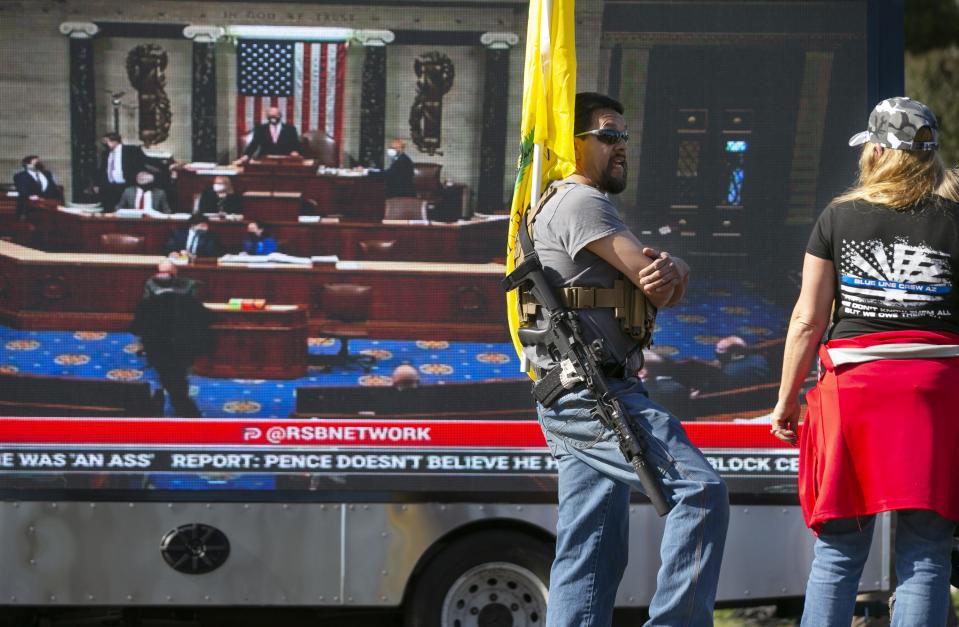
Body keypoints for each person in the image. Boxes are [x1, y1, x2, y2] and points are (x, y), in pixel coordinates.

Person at [522, 92, 728, 626]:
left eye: (623, 137)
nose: (621, 146)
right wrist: (674, 267)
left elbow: (660, 278)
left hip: (571, 391)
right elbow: (657, 284)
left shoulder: (564, 201)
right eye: (608, 135)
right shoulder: (582, 202)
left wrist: (673, 265)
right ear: (575, 142)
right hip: (595, 393)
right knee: (701, 492)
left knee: (589, 551)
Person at [770, 97, 959, 627]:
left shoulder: (838, 215)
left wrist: (785, 403)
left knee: (839, 553)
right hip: (936, 392)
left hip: (854, 392)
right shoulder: (956, 219)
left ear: (877, 152)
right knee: (926, 556)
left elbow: (808, 319)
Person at [132, 262, 212, 417]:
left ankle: (185, 411)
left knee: (171, 380)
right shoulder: (189, 301)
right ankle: (187, 412)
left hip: (158, 350)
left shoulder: (147, 304)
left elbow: (136, 328)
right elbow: (207, 319)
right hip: (183, 348)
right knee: (178, 380)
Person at [96, 132, 146, 212]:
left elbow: (142, 164)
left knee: (126, 209)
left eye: (107, 141)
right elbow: (102, 170)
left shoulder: (131, 150)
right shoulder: (105, 153)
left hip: (126, 186)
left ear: (115, 141)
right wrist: (98, 184)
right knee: (110, 209)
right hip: (110, 187)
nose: (105, 144)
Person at [236, 106, 301, 163]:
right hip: (264, 159)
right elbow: (254, 144)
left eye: (276, 115)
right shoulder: (260, 129)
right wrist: (246, 155)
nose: (273, 118)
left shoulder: (290, 129)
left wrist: (295, 151)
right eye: (271, 116)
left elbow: (295, 144)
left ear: (280, 116)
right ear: (267, 117)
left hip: (285, 160)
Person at [13, 155, 61, 220]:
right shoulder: (20, 176)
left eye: (39, 162)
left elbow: (53, 189)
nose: (38, 163)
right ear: (27, 165)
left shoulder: (47, 173)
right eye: (36, 162)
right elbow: (23, 191)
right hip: (30, 210)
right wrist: (33, 197)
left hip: (49, 208)